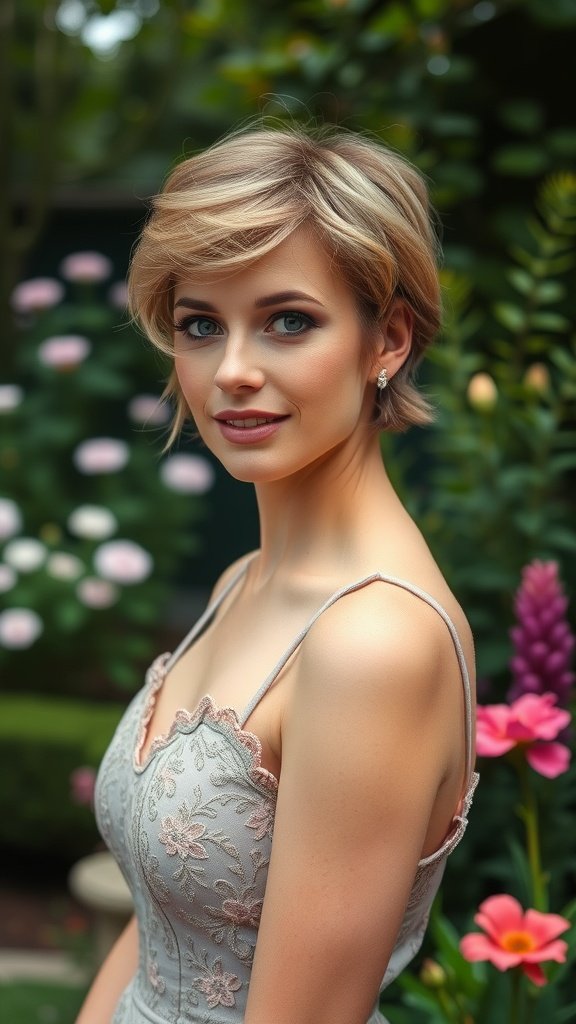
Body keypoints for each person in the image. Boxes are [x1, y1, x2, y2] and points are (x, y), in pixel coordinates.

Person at [76, 124, 478, 1024]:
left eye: (288, 321)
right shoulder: (242, 579)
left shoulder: (375, 643)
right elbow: (157, 924)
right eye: (200, 326)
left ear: (390, 340)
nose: (233, 371)